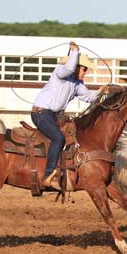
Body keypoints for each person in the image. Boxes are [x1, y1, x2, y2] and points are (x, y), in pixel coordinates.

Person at [31, 42, 101, 189]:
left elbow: (88, 97)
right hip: (41, 113)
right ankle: (49, 175)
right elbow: (69, 67)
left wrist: (101, 91)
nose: (86, 72)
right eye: (84, 69)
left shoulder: (76, 84)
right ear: (76, 67)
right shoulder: (60, 73)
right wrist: (75, 51)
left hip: (52, 115)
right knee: (58, 138)